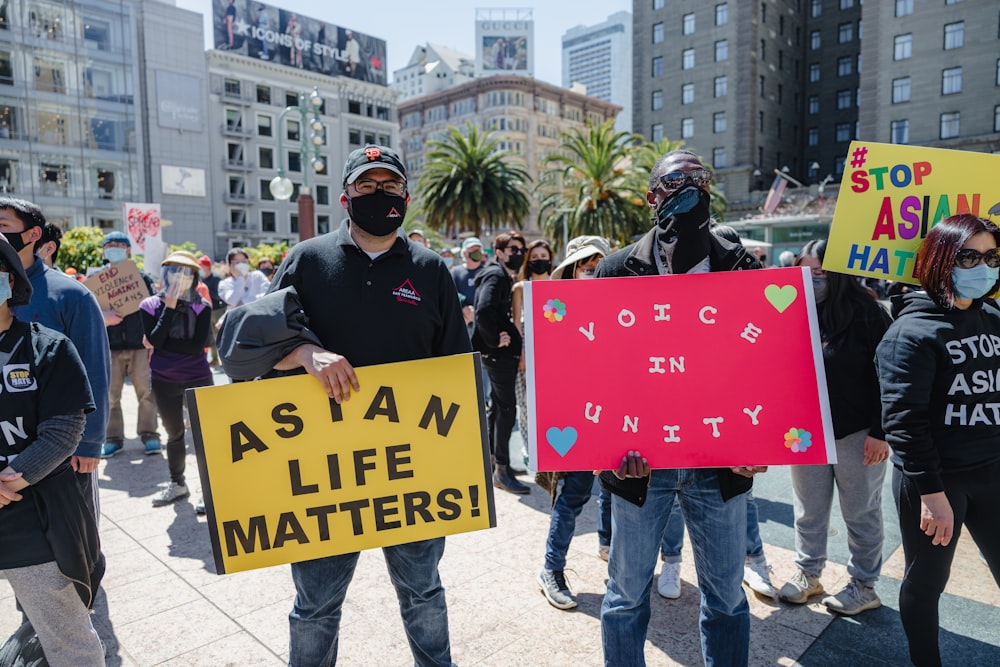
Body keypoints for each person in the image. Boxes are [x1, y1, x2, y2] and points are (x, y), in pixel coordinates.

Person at [262, 143, 469, 666]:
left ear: (406, 194)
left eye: (391, 186)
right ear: (346, 196)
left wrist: (467, 458)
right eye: (368, 186)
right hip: (325, 472)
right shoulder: (305, 261)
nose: (381, 195)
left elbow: (456, 372)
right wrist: (306, 353)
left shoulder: (430, 270)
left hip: (411, 469)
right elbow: (255, 347)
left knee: (424, 593)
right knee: (315, 606)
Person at [596, 150, 762, 667]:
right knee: (625, 597)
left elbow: (768, 361)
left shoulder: (742, 266)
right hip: (640, 463)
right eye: (676, 181)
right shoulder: (616, 270)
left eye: (700, 178)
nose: (691, 187)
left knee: (729, 599)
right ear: (652, 197)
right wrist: (605, 449)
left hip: (721, 463)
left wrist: (761, 440)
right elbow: (595, 369)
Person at [875, 213, 1000, 666]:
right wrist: (932, 493)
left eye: (991, 256)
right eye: (969, 256)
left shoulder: (993, 316)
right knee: (928, 582)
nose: (983, 266)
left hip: (991, 471)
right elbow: (904, 422)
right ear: (941, 260)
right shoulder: (909, 333)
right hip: (937, 482)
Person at [0, 234, 105, 666]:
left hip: (34, 520)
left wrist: (10, 480)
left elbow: (64, 429)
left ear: (9, 281)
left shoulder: (49, 347)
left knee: (67, 639)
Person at [776, 239, 892, 614]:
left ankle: (864, 584)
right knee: (808, 508)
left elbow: (890, 377)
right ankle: (808, 572)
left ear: (838, 273)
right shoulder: (791, 310)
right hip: (804, 431)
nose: (813, 280)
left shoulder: (869, 313)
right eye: (806, 273)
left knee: (861, 511)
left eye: (821, 273)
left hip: (858, 433)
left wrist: (880, 431)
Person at [1, 197, 110, 522]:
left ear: (34, 234)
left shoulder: (72, 295)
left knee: (72, 542)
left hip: (60, 446)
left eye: (4, 225)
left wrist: (90, 442)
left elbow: (94, 370)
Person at [535, 235, 616, 610]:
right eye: (586, 264)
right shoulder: (551, 312)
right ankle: (552, 569)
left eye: (599, 263)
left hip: (616, 413)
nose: (592, 269)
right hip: (576, 421)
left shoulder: (620, 304)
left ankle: (609, 546)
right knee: (573, 496)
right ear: (570, 269)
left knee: (618, 490)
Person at [139, 251, 213, 508]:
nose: (180, 277)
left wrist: (159, 343)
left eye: (186, 273)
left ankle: (210, 490)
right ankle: (178, 483)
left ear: (194, 278)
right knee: (174, 434)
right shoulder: (149, 305)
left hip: (198, 377)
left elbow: (195, 347)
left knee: (206, 437)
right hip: (164, 378)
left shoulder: (202, 306)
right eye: (175, 271)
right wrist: (169, 308)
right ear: (165, 274)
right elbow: (156, 341)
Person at [474, 230, 531, 495]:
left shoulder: (498, 274)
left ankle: (495, 465)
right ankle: (501, 470)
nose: (518, 254)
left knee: (498, 409)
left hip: (496, 356)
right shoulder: (496, 275)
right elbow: (483, 310)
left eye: (521, 249)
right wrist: (495, 340)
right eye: (512, 250)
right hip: (498, 356)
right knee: (506, 411)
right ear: (498, 253)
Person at [98, 231, 161, 458]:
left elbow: (155, 308)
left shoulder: (141, 278)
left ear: (128, 250)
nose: (113, 248)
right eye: (109, 245)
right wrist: (104, 315)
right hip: (109, 346)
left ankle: (150, 435)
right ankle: (113, 438)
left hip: (140, 346)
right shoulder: (97, 280)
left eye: (119, 245)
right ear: (104, 251)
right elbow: (89, 310)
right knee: (111, 396)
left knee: (146, 392)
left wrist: (152, 338)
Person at [511, 238, 553, 457]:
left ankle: (551, 449)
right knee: (527, 405)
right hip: (528, 352)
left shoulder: (558, 285)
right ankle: (532, 452)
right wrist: (523, 355)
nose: (539, 261)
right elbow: (517, 325)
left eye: (543, 257)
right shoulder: (520, 288)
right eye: (535, 257)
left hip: (553, 355)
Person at [452, 237, 485, 336]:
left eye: (479, 249)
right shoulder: (455, 272)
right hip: (462, 320)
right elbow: (451, 292)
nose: (477, 252)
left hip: (481, 321)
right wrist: (464, 307)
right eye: (473, 250)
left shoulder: (487, 271)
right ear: (465, 253)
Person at [199, 255, 226, 366]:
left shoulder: (217, 279)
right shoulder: (200, 279)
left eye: (202, 266)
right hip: (206, 311)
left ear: (208, 267)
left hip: (218, 310)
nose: (200, 269)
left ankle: (225, 358)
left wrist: (207, 291)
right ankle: (214, 359)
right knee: (210, 336)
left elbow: (221, 295)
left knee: (220, 335)